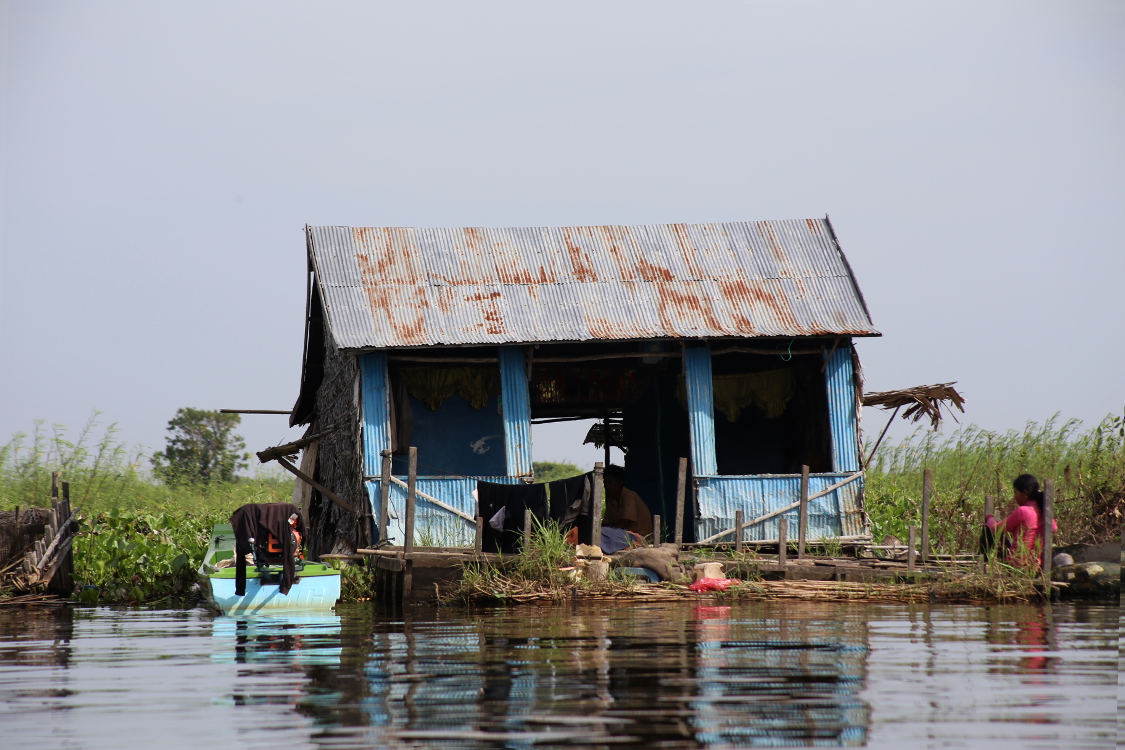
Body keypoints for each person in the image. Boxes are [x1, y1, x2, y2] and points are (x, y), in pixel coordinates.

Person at [984, 474, 1058, 569]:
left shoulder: (1023, 511)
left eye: (1016, 493)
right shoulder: (1043, 511)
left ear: (1024, 493)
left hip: (1016, 564)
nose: (1015, 497)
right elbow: (1054, 528)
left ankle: (984, 562)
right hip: (1035, 565)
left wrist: (989, 517)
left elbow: (995, 529)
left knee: (989, 534)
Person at [601, 464, 653, 539]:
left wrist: (607, 531)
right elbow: (605, 524)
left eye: (610, 482)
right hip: (625, 537)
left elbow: (625, 523)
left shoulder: (629, 496)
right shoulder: (611, 500)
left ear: (620, 483)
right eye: (605, 482)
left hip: (640, 539)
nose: (607, 486)